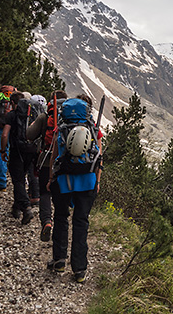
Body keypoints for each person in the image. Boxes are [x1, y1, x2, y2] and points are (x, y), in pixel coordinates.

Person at [47, 95, 102, 283]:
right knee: (81, 223)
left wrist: (50, 179)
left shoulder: (61, 128)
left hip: (64, 180)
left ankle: (59, 260)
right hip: (87, 181)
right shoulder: (93, 129)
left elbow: (54, 156)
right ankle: (79, 270)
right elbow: (98, 160)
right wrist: (97, 182)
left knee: (61, 218)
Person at [26, 90, 67, 242]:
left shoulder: (45, 117)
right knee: (61, 196)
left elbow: (29, 135)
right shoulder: (69, 118)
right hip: (64, 162)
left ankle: (47, 221)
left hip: (45, 160)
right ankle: (61, 227)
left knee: (45, 193)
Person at [0, 91, 35, 225]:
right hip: (31, 150)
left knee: (18, 180)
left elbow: (4, 135)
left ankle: (26, 208)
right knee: (22, 176)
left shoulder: (11, 115)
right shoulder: (32, 114)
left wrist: (3, 151)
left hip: (17, 150)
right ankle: (16, 208)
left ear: (13, 103)